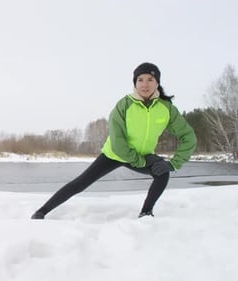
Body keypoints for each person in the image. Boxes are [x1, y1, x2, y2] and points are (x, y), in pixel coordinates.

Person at [31, 62, 196, 219]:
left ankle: (146, 214)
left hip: (143, 156)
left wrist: (174, 163)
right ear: (135, 83)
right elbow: (118, 142)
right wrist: (138, 161)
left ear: (157, 82)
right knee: (81, 183)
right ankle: (42, 211)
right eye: (140, 80)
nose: (145, 84)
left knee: (163, 173)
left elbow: (188, 137)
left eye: (150, 80)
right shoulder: (124, 105)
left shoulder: (166, 108)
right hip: (114, 154)